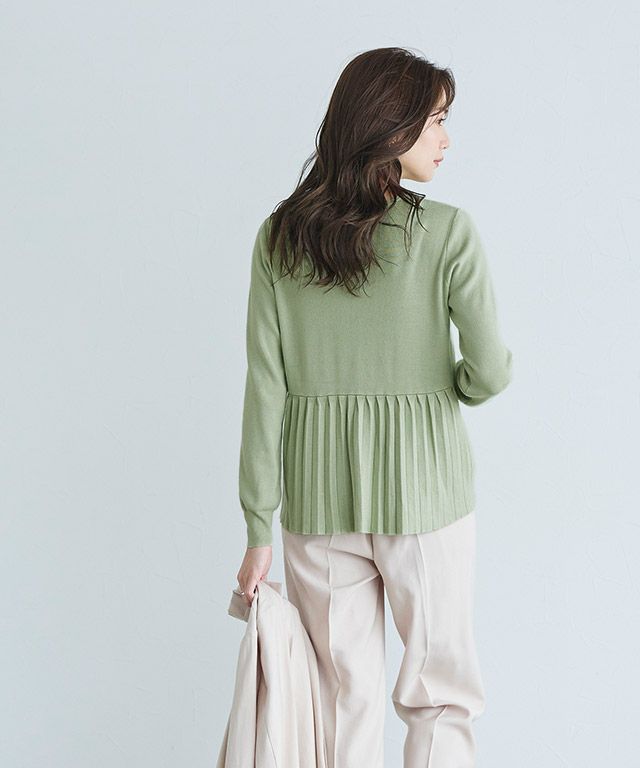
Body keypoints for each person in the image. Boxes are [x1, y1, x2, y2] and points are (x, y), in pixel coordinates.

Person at [234, 46, 512, 768]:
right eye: (437, 121)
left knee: (338, 701)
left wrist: (257, 526)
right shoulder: (446, 231)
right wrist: (458, 386)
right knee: (440, 697)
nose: (446, 139)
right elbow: (490, 371)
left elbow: (265, 387)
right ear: (391, 127)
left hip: (316, 501)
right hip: (426, 492)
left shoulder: (280, 238)